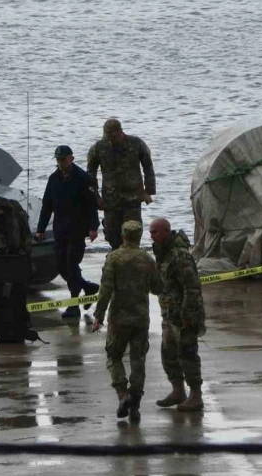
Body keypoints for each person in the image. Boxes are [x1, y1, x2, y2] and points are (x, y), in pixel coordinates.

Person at [92, 221, 162, 422]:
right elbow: (158, 288)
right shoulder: (147, 259)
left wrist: (98, 316)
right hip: (140, 318)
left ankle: (122, 395)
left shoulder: (114, 258)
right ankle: (135, 406)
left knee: (114, 357)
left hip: (118, 318)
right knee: (138, 360)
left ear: (123, 235)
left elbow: (105, 289)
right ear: (140, 236)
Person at [36, 145, 100, 318]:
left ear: (71, 158)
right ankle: (89, 288)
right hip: (60, 228)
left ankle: (73, 305)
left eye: (63, 159)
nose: (61, 163)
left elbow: (91, 205)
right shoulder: (53, 179)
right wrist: (40, 229)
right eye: (58, 160)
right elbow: (46, 206)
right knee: (60, 266)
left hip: (78, 228)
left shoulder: (82, 178)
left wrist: (94, 227)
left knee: (71, 265)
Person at [149, 218, 206, 412]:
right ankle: (178, 391)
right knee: (168, 355)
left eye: (155, 232)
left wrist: (188, 314)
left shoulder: (179, 256)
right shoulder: (163, 254)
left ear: (166, 232)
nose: (151, 236)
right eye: (150, 232)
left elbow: (192, 287)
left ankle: (196, 396)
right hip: (169, 315)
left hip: (184, 316)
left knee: (188, 355)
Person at [87, 118, 156, 250]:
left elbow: (148, 165)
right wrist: (95, 197)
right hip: (110, 200)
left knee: (132, 233)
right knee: (113, 235)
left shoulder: (136, 143)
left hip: (133, 199)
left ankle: (133, 259)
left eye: (113, 137)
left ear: (120, 132)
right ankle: (116, 258)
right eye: (107, 137)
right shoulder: (98, 147)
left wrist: (149, 190)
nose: (110, 140)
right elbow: (90, 175)